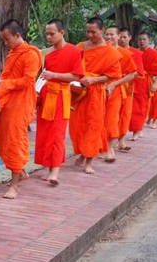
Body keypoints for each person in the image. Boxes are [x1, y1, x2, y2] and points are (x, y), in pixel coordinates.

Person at [0, 19, 42, 199]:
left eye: (7, 39)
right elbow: (6, 76)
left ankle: (14, 186)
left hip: (21, 103)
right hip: (7, 101)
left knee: (15, 140)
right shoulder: (13, 53)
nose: (6, 44)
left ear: (17, 35)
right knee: (5, 139)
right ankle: (19, 170)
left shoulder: (31, 54)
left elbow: (28, 81)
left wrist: (5, 83)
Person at [69, 17, 121, 174]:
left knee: (94, 126)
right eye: (88, 31)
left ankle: (89, 160)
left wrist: (94, 79)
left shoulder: (110, 52)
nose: (90, 35)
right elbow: (72, 65)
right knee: (77, 126)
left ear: (102, 31)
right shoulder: (81, 47)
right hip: (78, 92)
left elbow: (114, 75)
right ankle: (83, 153)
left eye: (94, 32)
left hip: (96, 93)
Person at [34, 19, 83, 185]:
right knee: (45, 133)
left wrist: (54, 75)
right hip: (46, 94)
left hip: (62, 95)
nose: (49, 37)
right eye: (47, 34)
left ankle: (55, 171)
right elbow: (43, 76)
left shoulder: (74, 51)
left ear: (62, 33)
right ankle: (49, 167)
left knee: (57, 133)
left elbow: (76, 76)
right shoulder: (46, 53)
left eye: (52, 34)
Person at [103, 26, 137, 161]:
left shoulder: (125, 53)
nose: (109, 37)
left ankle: (110, 148)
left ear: (118, 36)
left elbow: (132, 74)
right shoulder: (100, 50)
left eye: (112, 35)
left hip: (115, 89)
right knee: (98, 118)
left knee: (112, 119)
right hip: (98, 88)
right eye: (107, 34)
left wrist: (115, 84)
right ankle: (97, 147)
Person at [119, 28, 146, 144]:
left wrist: (125, 76)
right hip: (115, 86)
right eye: (120, 36)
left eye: (125, 37)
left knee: (127, 113)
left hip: (130, 87)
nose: (122, 39)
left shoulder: (136, 53)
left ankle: (123, 139)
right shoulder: (113, 51)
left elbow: (139, 71)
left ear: (130, 37)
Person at [138, 33, 157, 130]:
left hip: (148, 82)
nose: (142, 41)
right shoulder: (136, 53)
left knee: (147, 104)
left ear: (149, 40)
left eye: (144, 39)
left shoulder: (154, 54)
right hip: (136, 82)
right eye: (140, 39)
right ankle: (139, 125)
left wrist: (155, 83)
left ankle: (146, 123)